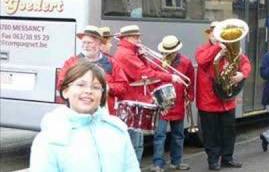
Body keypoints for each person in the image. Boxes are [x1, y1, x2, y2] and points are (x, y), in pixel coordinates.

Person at [30, 61, 140, 172]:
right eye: (81, 85)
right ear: (65, 91)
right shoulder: (50, 137)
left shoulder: (118, 131)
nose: (88, 91)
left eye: (96, 87)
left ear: (102, 94)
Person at [113, 25, 185, 164]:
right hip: (132, 101)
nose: (139, 40)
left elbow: (145, 69)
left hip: (136, 99)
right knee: (135, 144)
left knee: (138, 142)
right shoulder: (126, 53)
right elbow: (145, 73)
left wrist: (141, 56)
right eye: (136, 37)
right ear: (128, 38)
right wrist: (170, 77)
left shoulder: (130, 52)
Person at [195, 21, 251, 171]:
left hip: (227, 99)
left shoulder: (232, 49)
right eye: (213, 33)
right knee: (211, 134)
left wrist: (242, 74)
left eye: (218, 33)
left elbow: (246, 64)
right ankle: (213, 160)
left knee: (229, 131)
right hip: (209, 100)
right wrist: (216, 49)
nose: (216, 36)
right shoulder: (203, 49)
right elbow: (201, 61)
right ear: (209, 34)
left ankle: (227, 158)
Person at [57, 25, 128, 115]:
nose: (85, 46)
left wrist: (107, 87)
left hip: (104, 113)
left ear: (99, 44)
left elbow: (123, 87)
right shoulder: (72, 62)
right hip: (77, 113)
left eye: (89, 43)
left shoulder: (112, 63)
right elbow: (61, 84)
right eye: (83, 43)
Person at [150, 35, 194, 172]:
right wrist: (154, 98)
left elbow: (190, 81)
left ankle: (177, 162)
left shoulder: (186, 62)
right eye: (165, 51)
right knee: (160, 135)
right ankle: (158, 163)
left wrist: (190, 97)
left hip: (179, 102)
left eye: (170, 51)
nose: (167, 54)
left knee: (178, 135)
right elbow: (152, 79)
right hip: (162, 104)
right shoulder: (156, 61)